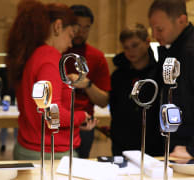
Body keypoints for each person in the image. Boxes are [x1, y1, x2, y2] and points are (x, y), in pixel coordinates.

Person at [6, 0, 94, 160]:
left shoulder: (33, 55)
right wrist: (82, 116)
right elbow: (53, 114)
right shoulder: (50, 58)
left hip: (32, 146)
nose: (70, 44)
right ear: (58, 27)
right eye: (70, 35)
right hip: (50, 153)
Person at [148, 0, 194, 159]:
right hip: (173, 144)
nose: (154, 35)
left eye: (159, 29)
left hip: (186, 149)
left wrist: (191, 148)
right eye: (152, 29)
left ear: (181, 20)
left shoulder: (190, 51)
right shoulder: (172, 49)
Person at [109, 23, 164, 156]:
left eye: (135, 45)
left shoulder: (159, 74)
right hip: (122, 143)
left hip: (153, 143)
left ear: (147, 42)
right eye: (126, 47)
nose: (130, 51)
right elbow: (115, 107)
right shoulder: (118, 75)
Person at [65, 5, 111, 158]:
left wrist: (88, 85)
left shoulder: (96, 57)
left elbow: (104, 101)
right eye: (78, 26)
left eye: (87, 27)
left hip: (84, 124)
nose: (81, 32)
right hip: (58, 121)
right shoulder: (56, 52)